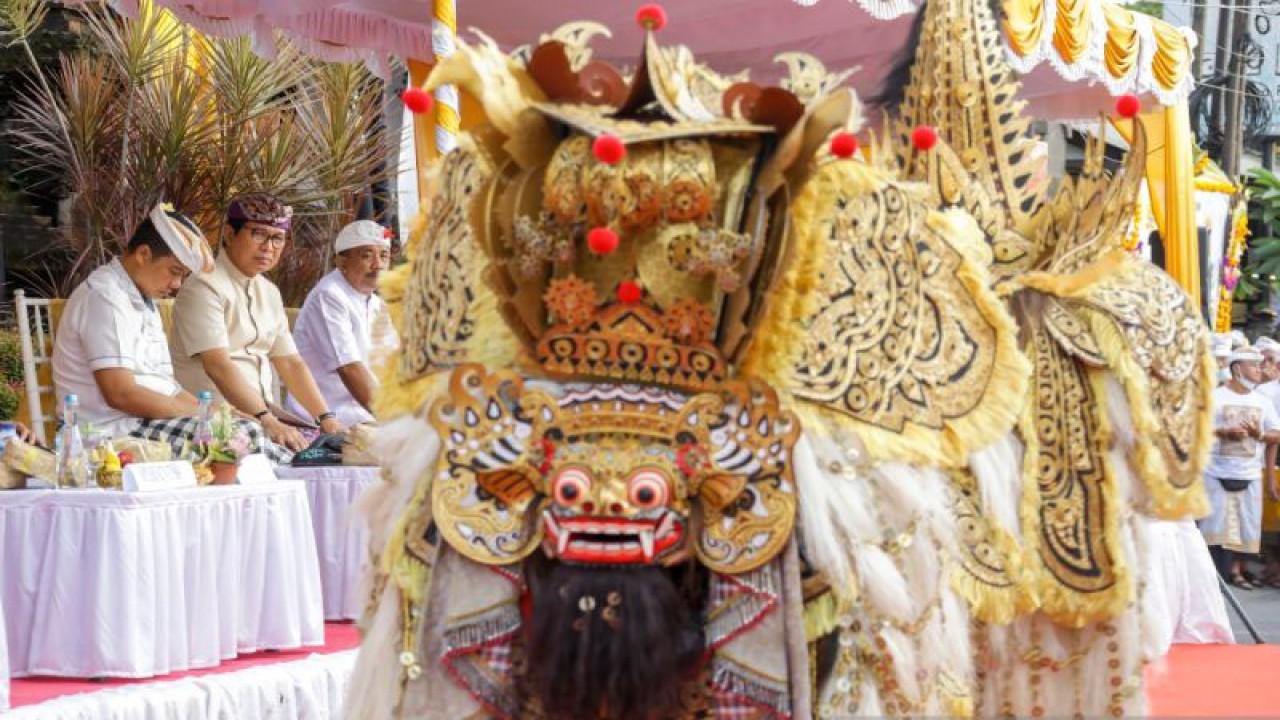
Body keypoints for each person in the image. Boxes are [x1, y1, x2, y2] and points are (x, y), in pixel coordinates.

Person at [49, 204, 287, 460]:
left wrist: (212, 410)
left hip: (144, 423)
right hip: (108, 433)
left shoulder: (141, 297)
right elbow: (121, 394)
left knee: (250, 430)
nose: (176, 285)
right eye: (174, 272)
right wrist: (204, 414)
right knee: (242, 437)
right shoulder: (105, 296)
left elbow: (167, 387)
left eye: (183, 276)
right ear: (143, 254)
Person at [170, 193, 345, 453]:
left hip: (264, 418)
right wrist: (265, 419)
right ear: (229, 234)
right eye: (258, 234)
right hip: (214, 421)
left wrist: (326, 418)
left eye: (277, 238)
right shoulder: (203, 286)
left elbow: (290, 362)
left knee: (339, 452)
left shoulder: (270, 292)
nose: (268, 247)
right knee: (292, 460)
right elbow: (218, 365)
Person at [286, 220, 398, 427]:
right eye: (366, 255)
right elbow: (348, 367)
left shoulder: (376, 302)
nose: (378, 265)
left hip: (366, 418)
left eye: (383, 256)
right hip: (326, 424)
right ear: (341, 262)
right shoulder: (329, 296)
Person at [1201, 346, 1280, 589]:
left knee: (1246, 528)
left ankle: (1236, 572)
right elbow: (1197, 431)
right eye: (1253, 365)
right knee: (1213, 530)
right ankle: (1211, 579)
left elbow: (1275, 435)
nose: (1259, 370)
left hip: (1249, 474)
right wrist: (1222, 432)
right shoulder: (1214, 397)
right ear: (1237, 369)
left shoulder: (1262, 401)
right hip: (1215, 474)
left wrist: (1259, 435)